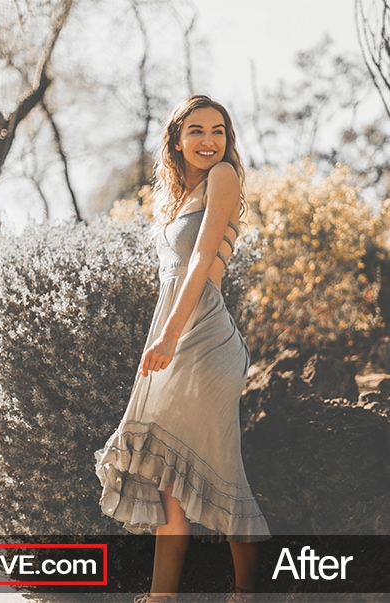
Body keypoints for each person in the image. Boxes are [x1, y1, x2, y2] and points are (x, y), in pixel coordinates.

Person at [94, 95, 270, 602]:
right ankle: (162, 596)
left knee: (224, 469)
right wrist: (164, 336)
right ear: (176, 139)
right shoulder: (174, 198)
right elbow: (171, 277)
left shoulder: (224, 177)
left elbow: (198, 264)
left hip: (206, 337)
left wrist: (168, 336)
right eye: (196, 131)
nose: (209, 140)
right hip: (172, 334)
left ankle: (245, 593)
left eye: (218, 131)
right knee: (168, 475)